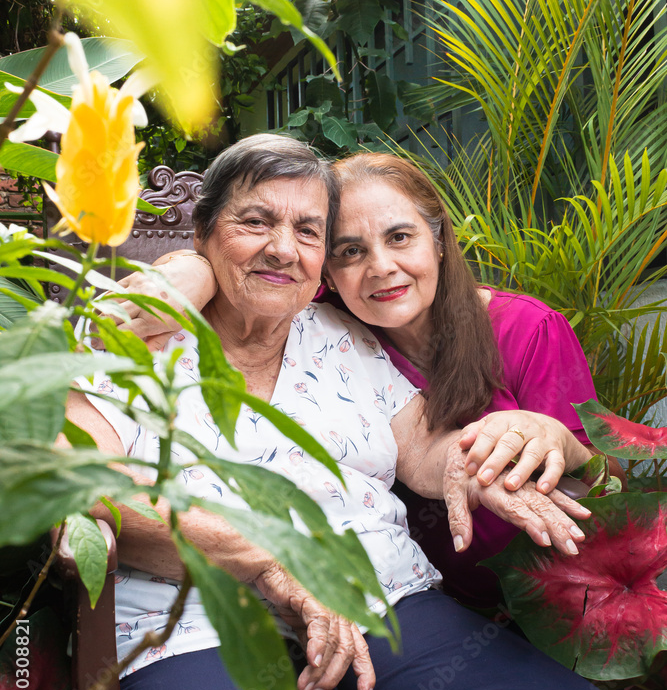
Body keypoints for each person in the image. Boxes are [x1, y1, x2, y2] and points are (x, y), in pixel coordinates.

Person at [72, 135, 643, 690]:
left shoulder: (338, 333)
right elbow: (80, 485)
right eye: (255, 222)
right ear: (201, 234)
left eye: (308, 231)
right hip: (202, 629)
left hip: (387, 603)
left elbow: (422, 450)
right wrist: (263, 562)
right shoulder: (133, 335)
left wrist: (491, 452)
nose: (284, 248)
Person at [117, 151, 613, 608]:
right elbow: (249, 272)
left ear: (438, 243)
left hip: (548, 595)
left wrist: (566, 445)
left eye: (400, 238)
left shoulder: (526, 329)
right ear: (327, 271)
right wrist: (193, 270)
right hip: (417, 595)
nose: (380, 268)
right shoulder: (325, 326)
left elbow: (609, 488)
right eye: (350, 251)